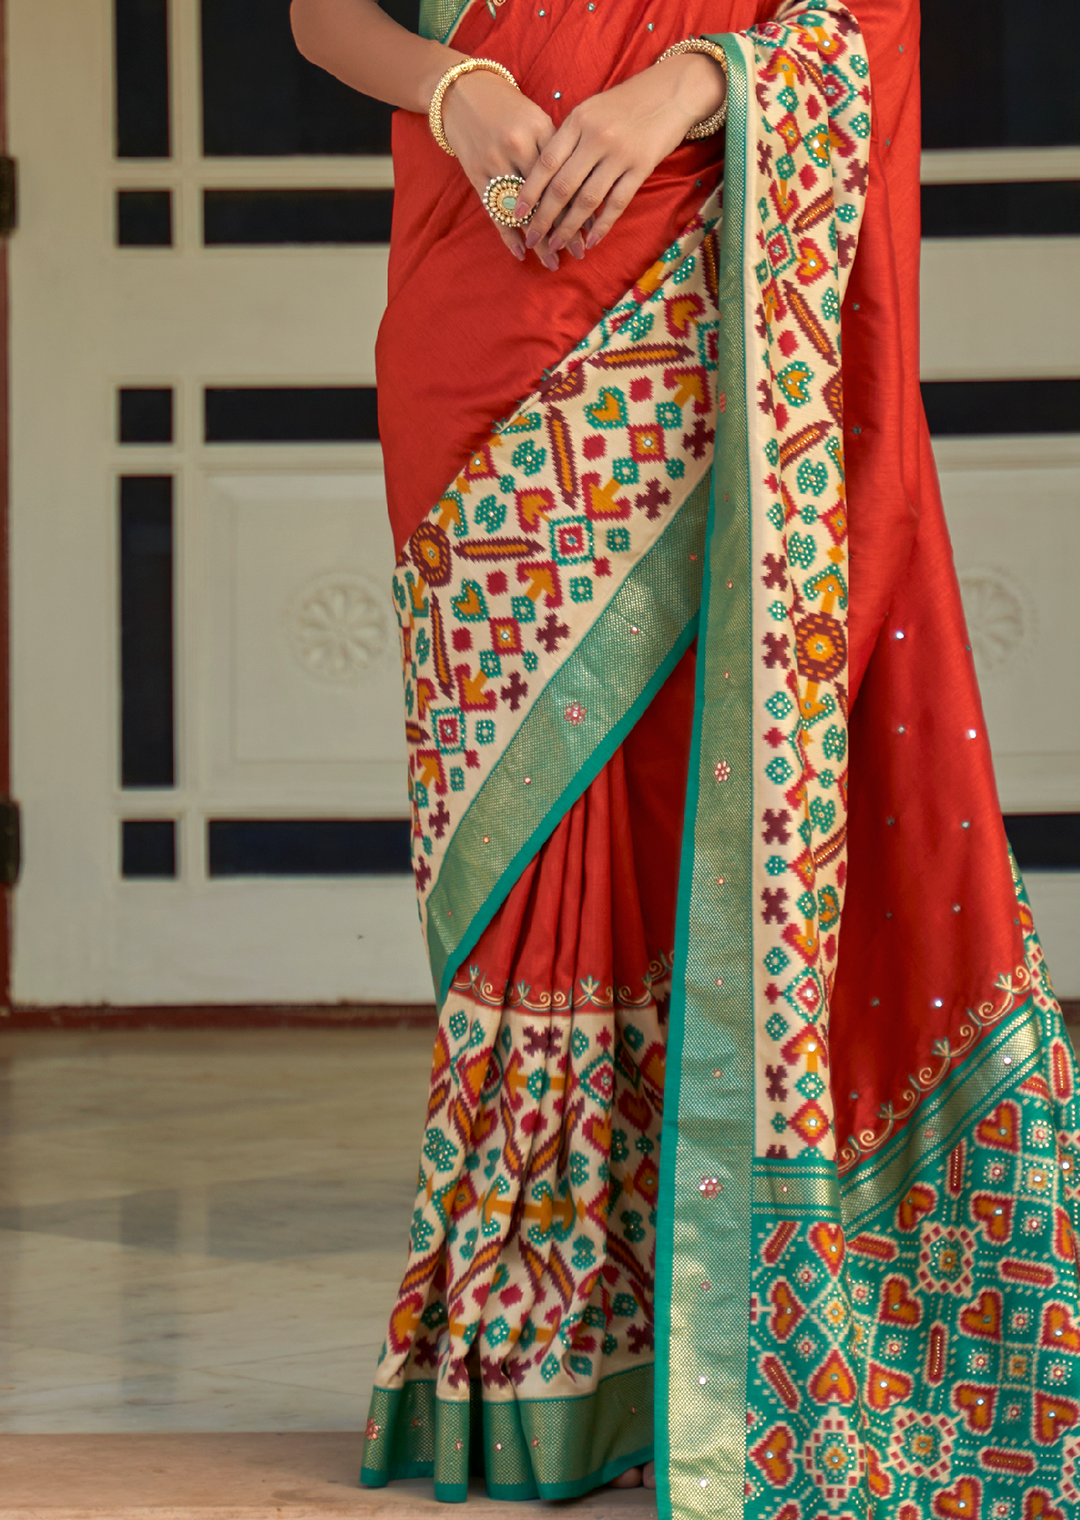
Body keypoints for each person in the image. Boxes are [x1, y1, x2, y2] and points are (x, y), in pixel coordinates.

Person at [291, 2, 1080, 1516]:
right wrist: (449, 87)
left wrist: (691, 83)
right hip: (479, 338)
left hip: (717, 300)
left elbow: (864, 22)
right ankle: (531, 1360)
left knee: (694, 821)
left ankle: (737, 1344)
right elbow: (322, 15)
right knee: (526, 843)